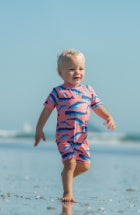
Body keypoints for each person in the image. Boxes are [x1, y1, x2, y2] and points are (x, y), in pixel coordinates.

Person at [34, 49, 116, 202]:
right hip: (64, 136)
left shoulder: (88, 90)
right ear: (60, 72)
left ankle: (66, 175)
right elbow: (46, 111)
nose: (77, 72)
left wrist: (108, 117)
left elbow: (97, 107)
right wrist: (39, 129)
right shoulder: (58, 92)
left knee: (85, 166)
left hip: (81, 137)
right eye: (71, 69)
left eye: (81, 68)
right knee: (70, 162)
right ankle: (67, 193)